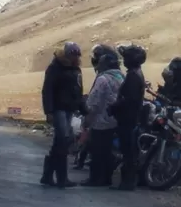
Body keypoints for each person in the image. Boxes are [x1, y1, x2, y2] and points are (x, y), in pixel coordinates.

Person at [40, 41, 83, 188]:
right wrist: (49, 111)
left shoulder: (76, 69)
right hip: (58, 109)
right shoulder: (55, 68)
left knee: (61, 142)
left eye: (77, 55)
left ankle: (48, 176)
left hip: (69, 110)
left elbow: (78, 91)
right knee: (63, 140)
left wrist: (84, 109)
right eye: (73, 55)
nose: (76, 58)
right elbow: (48, 90)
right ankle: (61, 178)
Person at [82, 44, 123, 187]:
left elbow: (93, 103)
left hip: (101, 120)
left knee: (97, 151)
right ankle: (106, 178)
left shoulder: (103, 79)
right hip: (116, 120)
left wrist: (87, 119)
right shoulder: (121, 77)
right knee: (107, 151)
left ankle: (95, 179)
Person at [113, 44, 148, 190]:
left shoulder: (133, 76)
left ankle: (127, 181)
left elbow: (129, 99)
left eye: (126, 57)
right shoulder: (136, 73)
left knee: (128, 150)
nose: (124, 60)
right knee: (129, 149)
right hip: (130, 117)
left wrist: (115, 106)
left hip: (128, 118)